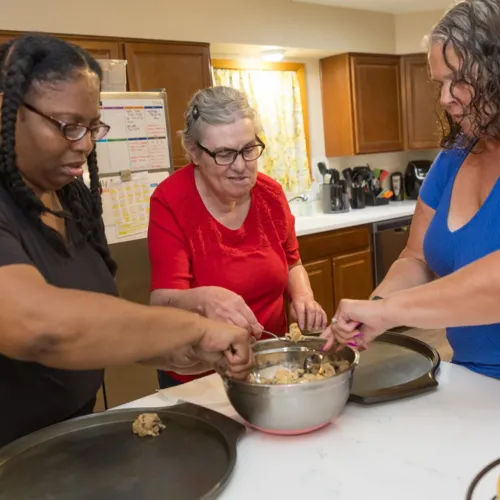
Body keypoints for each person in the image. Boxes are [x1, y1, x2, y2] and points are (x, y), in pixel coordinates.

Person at [0, 34, 254, 448]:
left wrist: (178, 350)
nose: (84, 143)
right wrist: (189, 327)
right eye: (67, 126)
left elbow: (99, 321)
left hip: (67, 439)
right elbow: (38, 326)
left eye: (92, 126)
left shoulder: (71, 198)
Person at [322, 0, 500, 379]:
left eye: (460, 81)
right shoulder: (453, 158)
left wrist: (390, 313)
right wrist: (375, 306)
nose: (445, 98)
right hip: (473, 382)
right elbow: (417, 258)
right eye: (440, 83)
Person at [148, 86, 327, 388]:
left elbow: (292, 260)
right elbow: (162, 302)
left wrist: (303, 296)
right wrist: (204, 299)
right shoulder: (170, 201)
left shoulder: (270, 195)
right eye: (225, 154)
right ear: (194, 152)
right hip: (199, 373)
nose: (242, 166)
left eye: (248, 149)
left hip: (270, 365)